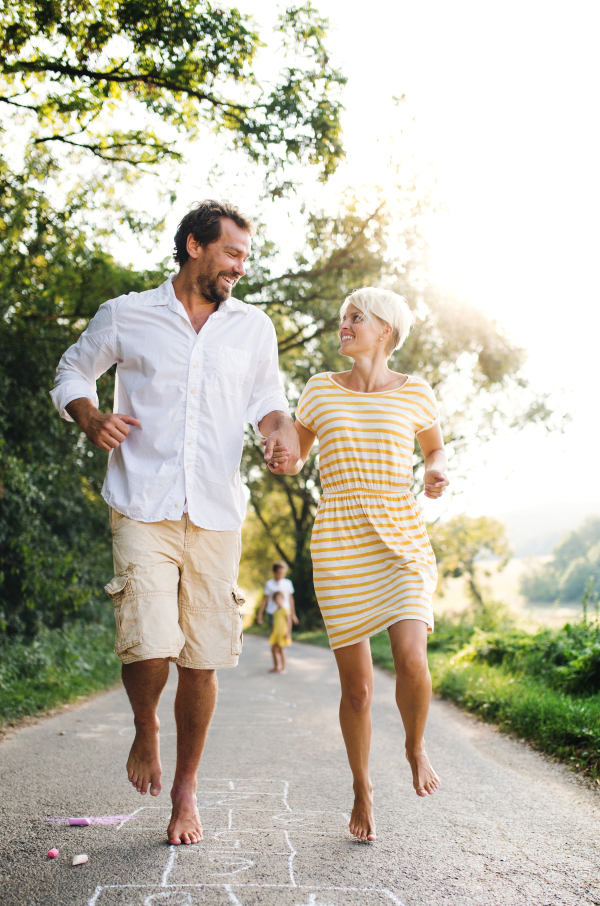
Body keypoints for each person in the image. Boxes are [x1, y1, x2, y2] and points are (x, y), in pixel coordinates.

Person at [50, 200, 299, 846]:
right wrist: (89, 416)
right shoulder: (129, 314)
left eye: (246, 256)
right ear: (195, 245)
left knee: (202, 657)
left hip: (215, 511)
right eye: (233, 254)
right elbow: (73, 370)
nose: (241, 267)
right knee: (147, 640)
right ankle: (146, 725)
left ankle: (185, 787)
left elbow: (269, 406)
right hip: (142, 500)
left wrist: (280, 439)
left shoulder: (253, 329)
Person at [282, 286, 449, 843]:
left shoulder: (416, 393)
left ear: (387, 331)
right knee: (357, 691)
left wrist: (435, 471)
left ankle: (414, 744)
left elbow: (435, 448)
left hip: (401, 536)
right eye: (342, 317)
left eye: (356, 317)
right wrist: (280, 453)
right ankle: (361, 786)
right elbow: (294, 456)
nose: (344, 325)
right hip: (340, 544)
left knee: (409, 655)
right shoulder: (319, 391)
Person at [268, 590, 292, 673]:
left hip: (283, 633)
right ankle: (276, 666)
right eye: (276, 599)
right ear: (274, 601)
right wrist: (272, 633)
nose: (278, 601)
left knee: (281, 650)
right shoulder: (275, 612)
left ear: (283, 599)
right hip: (276, 633)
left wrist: (288, 633)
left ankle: (283, 668)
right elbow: (274, 624)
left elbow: (289, 622)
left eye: (279, 599)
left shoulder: (285, 610)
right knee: (273, 650)